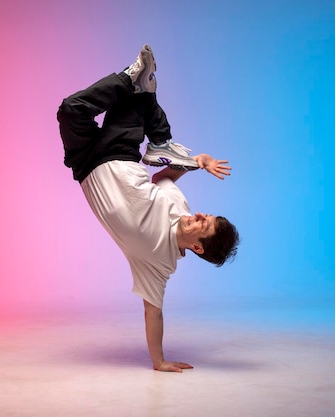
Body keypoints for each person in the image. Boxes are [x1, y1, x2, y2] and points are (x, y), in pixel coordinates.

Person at [57, 44, 240, 372]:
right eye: (206, 215)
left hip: (86, 163)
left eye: (203, 224)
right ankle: (152, 121)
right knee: (138, 99)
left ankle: (142, 95)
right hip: (121, 151)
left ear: (197, 246)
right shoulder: (180, 206)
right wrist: (198, 160)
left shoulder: (158, 265)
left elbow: (153, 312)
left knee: (71, 110)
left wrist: (159, 361)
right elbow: (165, 173)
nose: (197, 215)